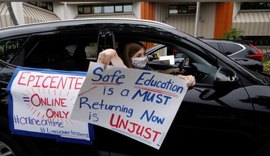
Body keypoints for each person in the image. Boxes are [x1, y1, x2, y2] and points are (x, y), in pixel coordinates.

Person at [97, 42, 195, 88]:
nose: (143, 58)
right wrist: (113, 54)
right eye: (139, 55)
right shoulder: (126, 73)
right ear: (128, 57)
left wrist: (182, 78)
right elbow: (123, 69)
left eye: (144, 54)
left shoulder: (145, 68)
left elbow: (158, 77)